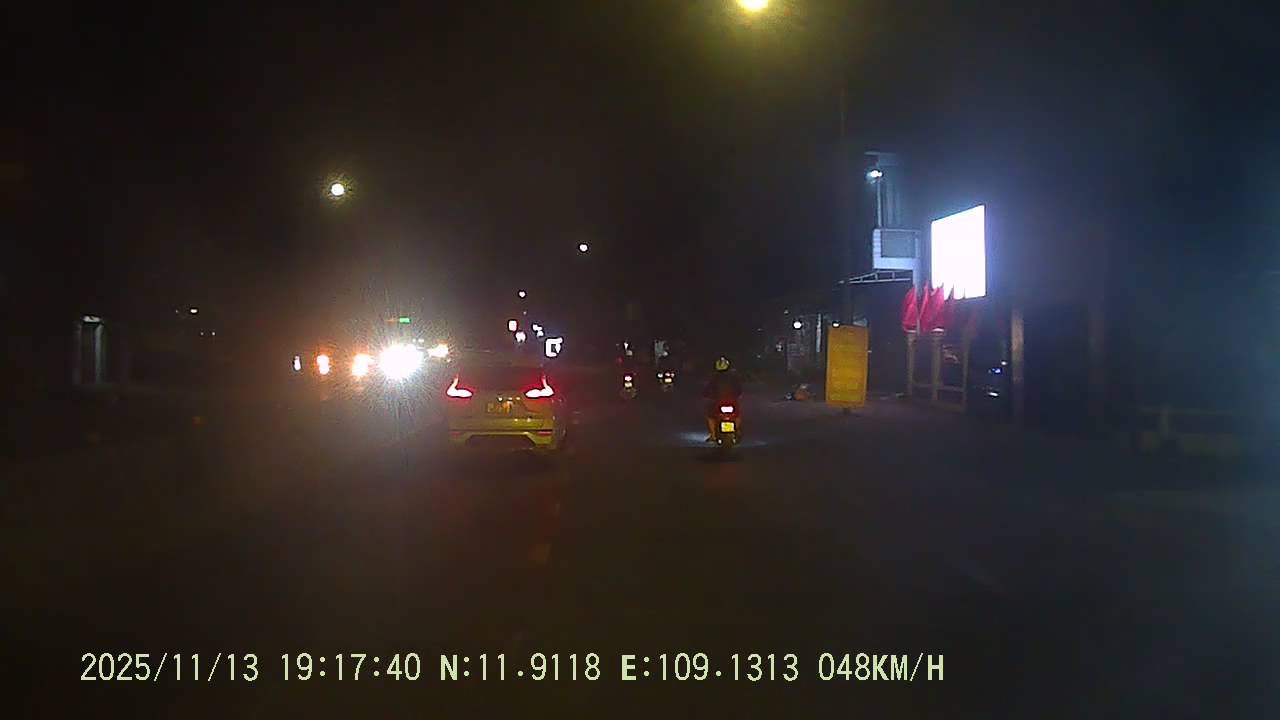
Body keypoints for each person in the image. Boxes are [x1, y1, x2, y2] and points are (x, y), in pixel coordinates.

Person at [702, 356, 743, 442]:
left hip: (718, 402)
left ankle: (713, 435)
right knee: (737, 416)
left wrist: (707, 395)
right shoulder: (733, 377)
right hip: (731, 402)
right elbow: (739, 390)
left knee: (711, 417)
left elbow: (707, 390)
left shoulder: (714, 377)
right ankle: (737, 431)